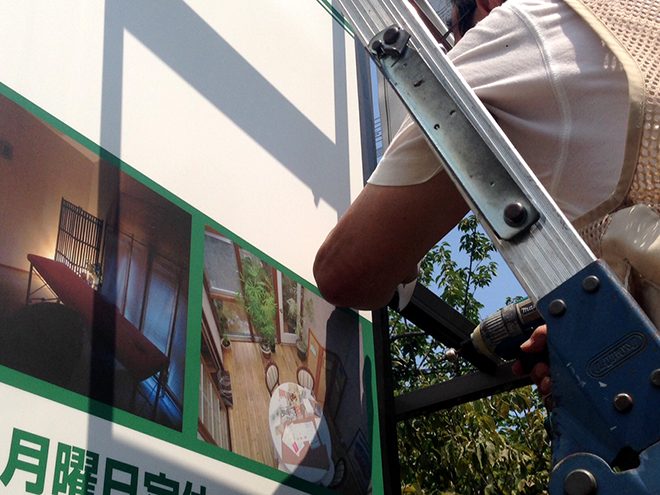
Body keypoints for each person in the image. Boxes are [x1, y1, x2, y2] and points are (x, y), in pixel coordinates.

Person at [314, 0, 660, 396]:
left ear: (485, 4)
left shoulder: (520, 25)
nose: (461, 50)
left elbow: (345, 271)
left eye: (459, 35)